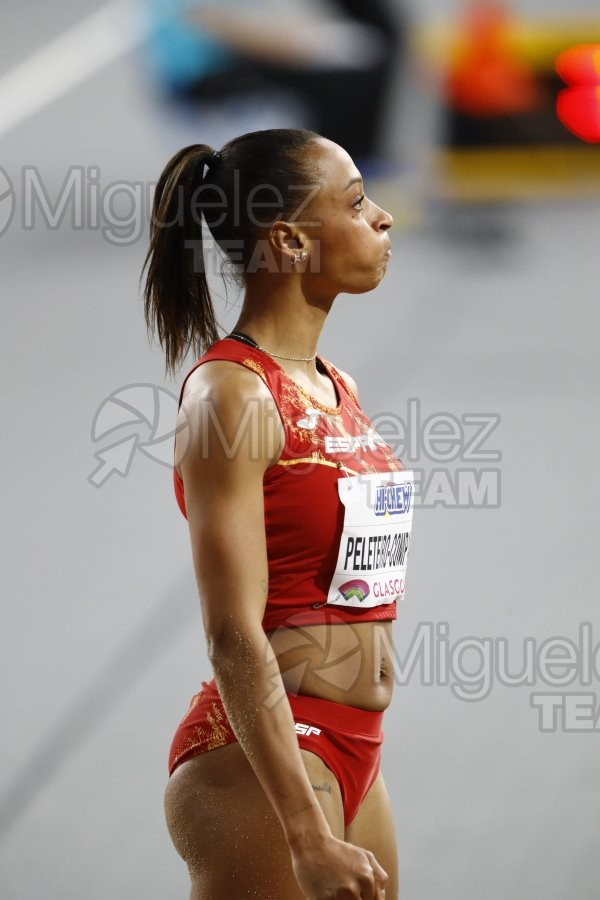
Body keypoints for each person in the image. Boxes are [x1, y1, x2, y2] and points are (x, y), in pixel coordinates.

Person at [141, 128, 414, 899]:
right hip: (267, 756)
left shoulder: (337, 384)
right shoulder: (231, 396)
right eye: (357, 202)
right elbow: (232, 630)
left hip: (355, 746)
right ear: (290, 240)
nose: (384, 218)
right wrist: (302, 829)